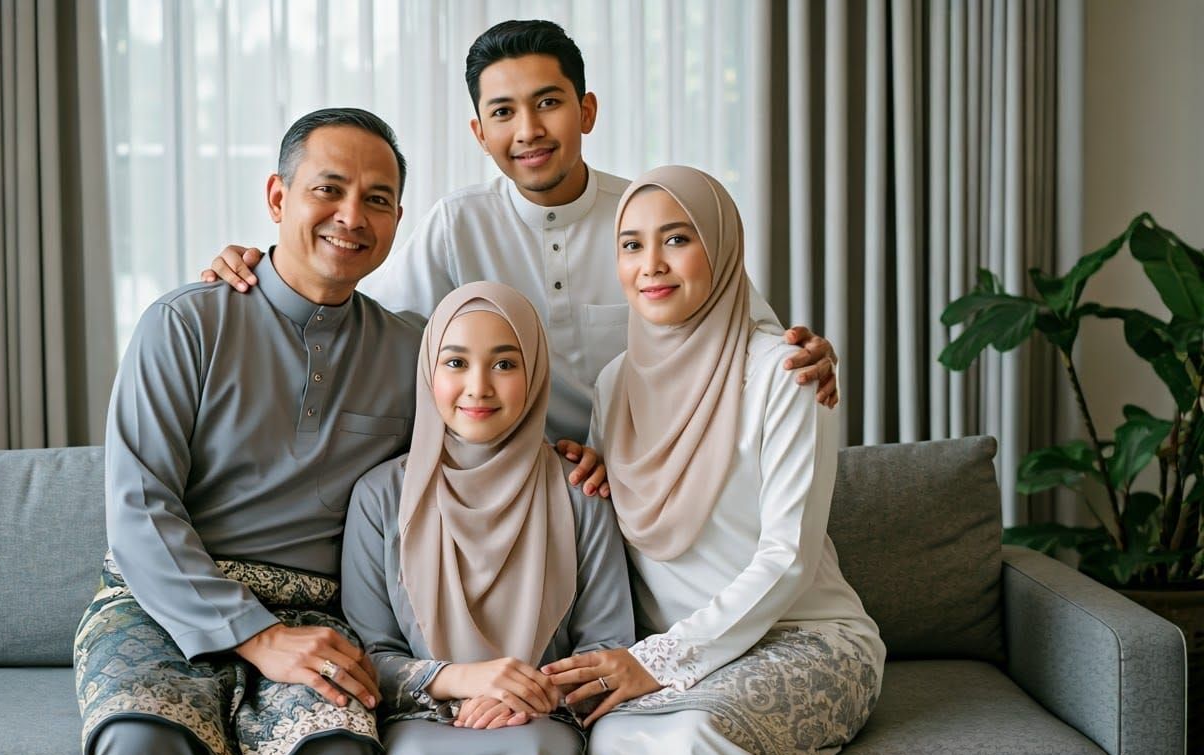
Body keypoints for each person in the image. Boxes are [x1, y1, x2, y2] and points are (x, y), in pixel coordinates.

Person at [200, 20, 841, 494]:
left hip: (665, 475)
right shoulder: (456, 225)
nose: (528, 130)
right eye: (503, 112)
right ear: (480, 133)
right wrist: (269, 268)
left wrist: (801, 354)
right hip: (526, 484)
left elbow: (750, 335)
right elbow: (357, 319)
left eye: (548, 103)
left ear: (585, 111)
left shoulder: (650, 215)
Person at [74, 108, 421, 755]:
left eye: (377, 200)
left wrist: (579, 456)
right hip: (159, 605)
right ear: (277, 197)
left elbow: (494, 433)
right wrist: (257, 637)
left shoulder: (415, 352)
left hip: (318, 621)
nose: (352, 216)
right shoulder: (184, 323)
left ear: (396, 220)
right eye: (328, 188)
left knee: (337, 754)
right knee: (142, 742)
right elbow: (139, 507)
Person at [542, 166, 884, 755]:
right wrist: (595, 475)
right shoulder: (614, 384)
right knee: (613, 742)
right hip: (676, 654)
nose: (651, 265)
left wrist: (659, 660)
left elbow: (788, 556)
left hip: (806, 639)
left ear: (722, 249)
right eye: (631, 245)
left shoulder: (787, 373)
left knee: (692, 738)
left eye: (677, 239)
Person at [340, 281, 634, 755]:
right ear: (429, 370)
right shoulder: (380, 497)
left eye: (504, 364)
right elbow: (370, 656)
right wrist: (463, 680)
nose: (479, 386)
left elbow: (608, 645)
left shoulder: (580, 491)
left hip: (542, 721)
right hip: (422, 720)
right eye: (456, 362)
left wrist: (530, 694)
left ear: (535, 371)